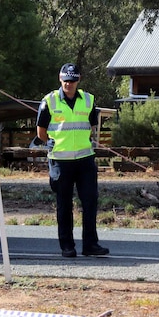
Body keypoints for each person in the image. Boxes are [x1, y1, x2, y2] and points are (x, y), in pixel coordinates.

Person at [36, 63, 110, 258]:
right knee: (64, 205)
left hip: (85, 160)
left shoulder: (88, 99)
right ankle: (67, 246)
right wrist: (52, 143)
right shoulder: (49, 101)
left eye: (73, 80)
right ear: (60, 80)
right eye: (66, 80)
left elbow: (92, 126)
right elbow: (41, 131)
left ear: (78, 80)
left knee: (90, 202)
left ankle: (90, 245)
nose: (69, 84)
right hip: (61, 161)